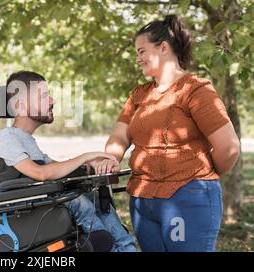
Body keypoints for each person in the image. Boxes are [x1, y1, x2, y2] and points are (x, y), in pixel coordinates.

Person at [101, 14, 240, 251]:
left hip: (188, 198)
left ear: (163, 47)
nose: (138, 58)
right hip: (142, 200)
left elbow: (229, 148)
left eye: (141, 51)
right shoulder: (139, 95)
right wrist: (111, 157)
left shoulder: (195, 90)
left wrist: (199, 174)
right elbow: (120, 136)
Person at [0, 70, 137, 252]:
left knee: (99, 199)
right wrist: (85, 156)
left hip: (43, 205)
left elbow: (56, 167)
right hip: (25, 215)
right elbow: (40, 173)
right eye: (43, 96)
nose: (52, 101)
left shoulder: (25, 140)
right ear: (20, 106)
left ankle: (127, 247)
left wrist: (92, 165)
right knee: (80, 200)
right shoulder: (6, 138)